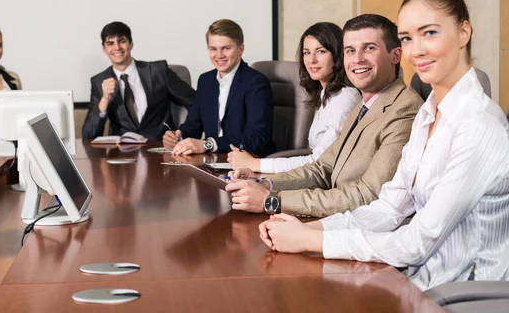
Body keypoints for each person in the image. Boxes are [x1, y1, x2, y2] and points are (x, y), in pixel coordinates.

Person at [258, 0, 509, 291]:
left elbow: (418, 242)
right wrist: (313, 229)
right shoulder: (430, 112)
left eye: (429, 33)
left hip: (462, 292)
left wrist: (311, 240)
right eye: (407, 38)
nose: (415, 50)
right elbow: (390, 208)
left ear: (464, 33)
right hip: (417, 277)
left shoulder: (478, 125)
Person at [226, 14, 423, 217]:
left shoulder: (404, 108)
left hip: (357, 228)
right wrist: (263, 183)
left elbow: (367, 195)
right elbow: (322, 168)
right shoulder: (364, 105)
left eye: (369, 48)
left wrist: (273, 200)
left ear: (396, 55)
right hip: (333, 214)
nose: (357, 59)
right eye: (350, 50)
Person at [227, 22, 361, 173]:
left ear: (337, 54)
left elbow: (319, 163)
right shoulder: (326, 93)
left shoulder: (346, 97)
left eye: (321, 51)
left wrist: (256, 164)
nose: (311, 60)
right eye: (306, 52)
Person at [163, 19, 276, 157]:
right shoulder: (206, 81)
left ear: (241, 49)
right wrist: (178, 136)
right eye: (213, 49)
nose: (219, 55)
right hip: (213, 162)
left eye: (226, 48)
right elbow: (194, 124)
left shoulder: (256, 83)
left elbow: (256, 138)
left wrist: (207, 144)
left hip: (250, 162)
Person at [82, 22, 196, 141]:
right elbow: (88, 136)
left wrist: (184, 133)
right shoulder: (99, 81)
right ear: (104, 49)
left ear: (131, 44)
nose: (117, 48)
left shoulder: (158, 71)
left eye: (122, 41)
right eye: (110, 43)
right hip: (121, 152)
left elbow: (195, 102)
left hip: (159, 147)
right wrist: (104, 100)